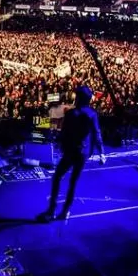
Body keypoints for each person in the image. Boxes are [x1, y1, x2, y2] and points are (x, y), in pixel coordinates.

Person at [39, 85, 106, 222]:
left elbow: (64, 133)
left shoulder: (70, 113)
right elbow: (97, 134)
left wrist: (59, 144)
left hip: (70, 151)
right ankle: (65, 212)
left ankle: (52, 210)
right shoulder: (92, 115)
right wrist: (102, 153)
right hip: (83, 152)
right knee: (73, 182)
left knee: (57, 177)